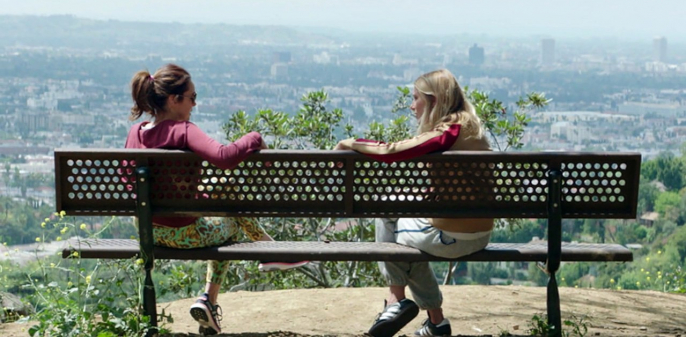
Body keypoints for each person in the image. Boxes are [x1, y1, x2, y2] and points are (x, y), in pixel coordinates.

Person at [125, 63, 307, 335]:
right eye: (192, 98)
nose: (194, 105)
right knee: (232, 221)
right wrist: (255, 137)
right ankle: (219, 291)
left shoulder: (135, 133)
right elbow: (224, 157)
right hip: (183, 233)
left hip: (147, 231)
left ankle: (270, 251)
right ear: (174, 100)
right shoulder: (182, 130)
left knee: (222, 190)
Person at [335, 69, 494, 337]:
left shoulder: (449, 131)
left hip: (454, 237)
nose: (412, 105)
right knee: (407, 244)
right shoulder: (469, 126)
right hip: (481, 233)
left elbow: (393, 151)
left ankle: (395, 301)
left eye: (416, 98)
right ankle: (436, 322)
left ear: (434, 101)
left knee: (386, 216)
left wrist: (350, 143)